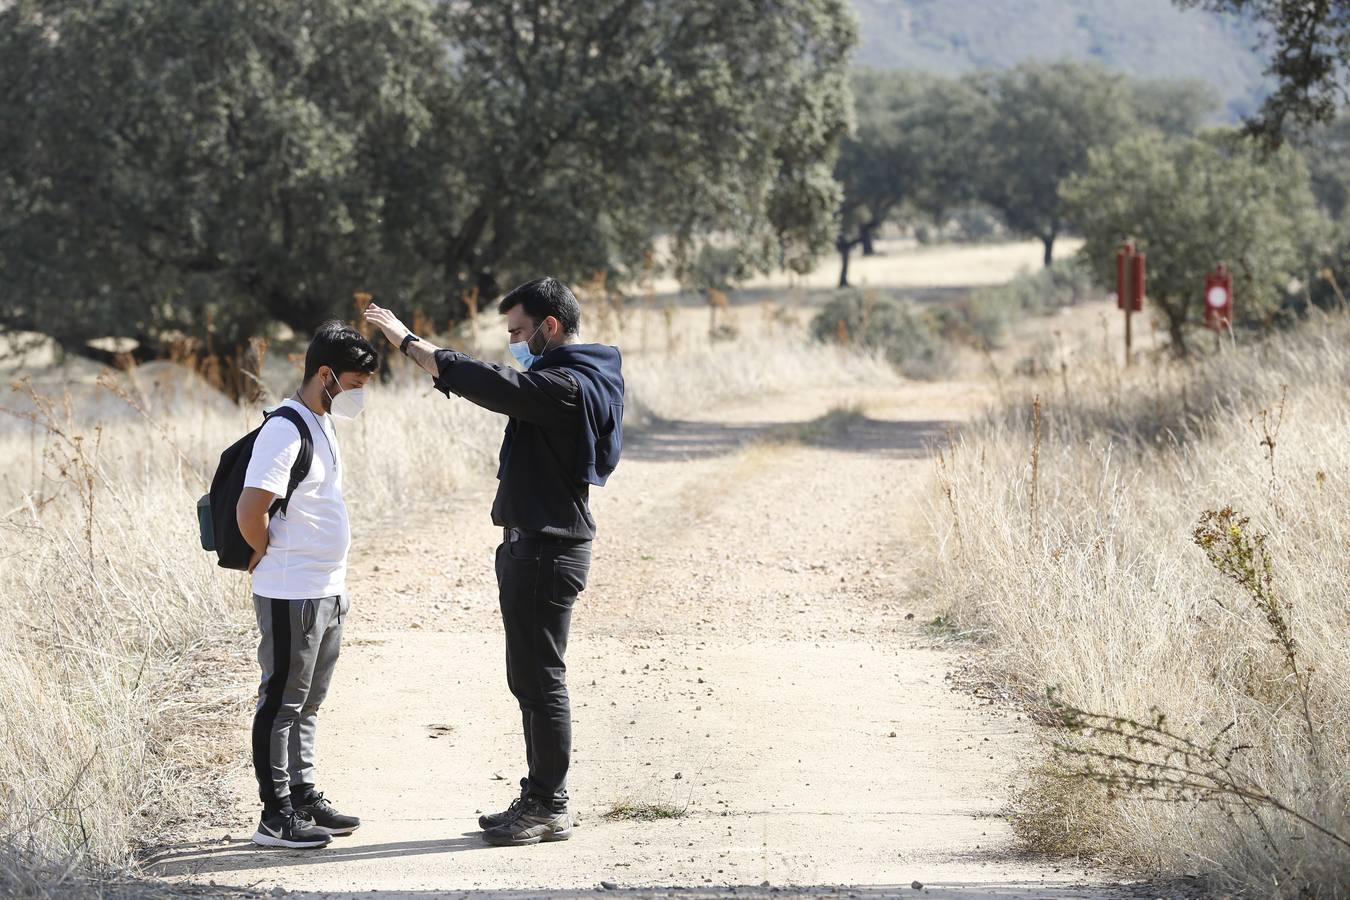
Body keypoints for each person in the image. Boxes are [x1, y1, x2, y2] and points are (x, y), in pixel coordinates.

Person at [364, 277, 624, 847]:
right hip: (542, 543)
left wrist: (410, 342)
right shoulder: (580, 377)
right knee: (530, 677)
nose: (513, 342)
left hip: (546, 548)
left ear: (549, 327)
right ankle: (538, 796)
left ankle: (549, 803)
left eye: (517, 332)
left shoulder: (568, 386)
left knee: (540, 678)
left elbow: (495, 385)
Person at [237, 321, 378, 849]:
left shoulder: (322, 421)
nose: (359, 395)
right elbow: (252, 508)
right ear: (326, 374)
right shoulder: (285, 429)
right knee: (280, 702)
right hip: (291, 590)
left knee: (308, 702)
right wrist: (264, 549)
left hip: (326, 587)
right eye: (355, 384)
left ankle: (303, 795)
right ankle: (275, 816)